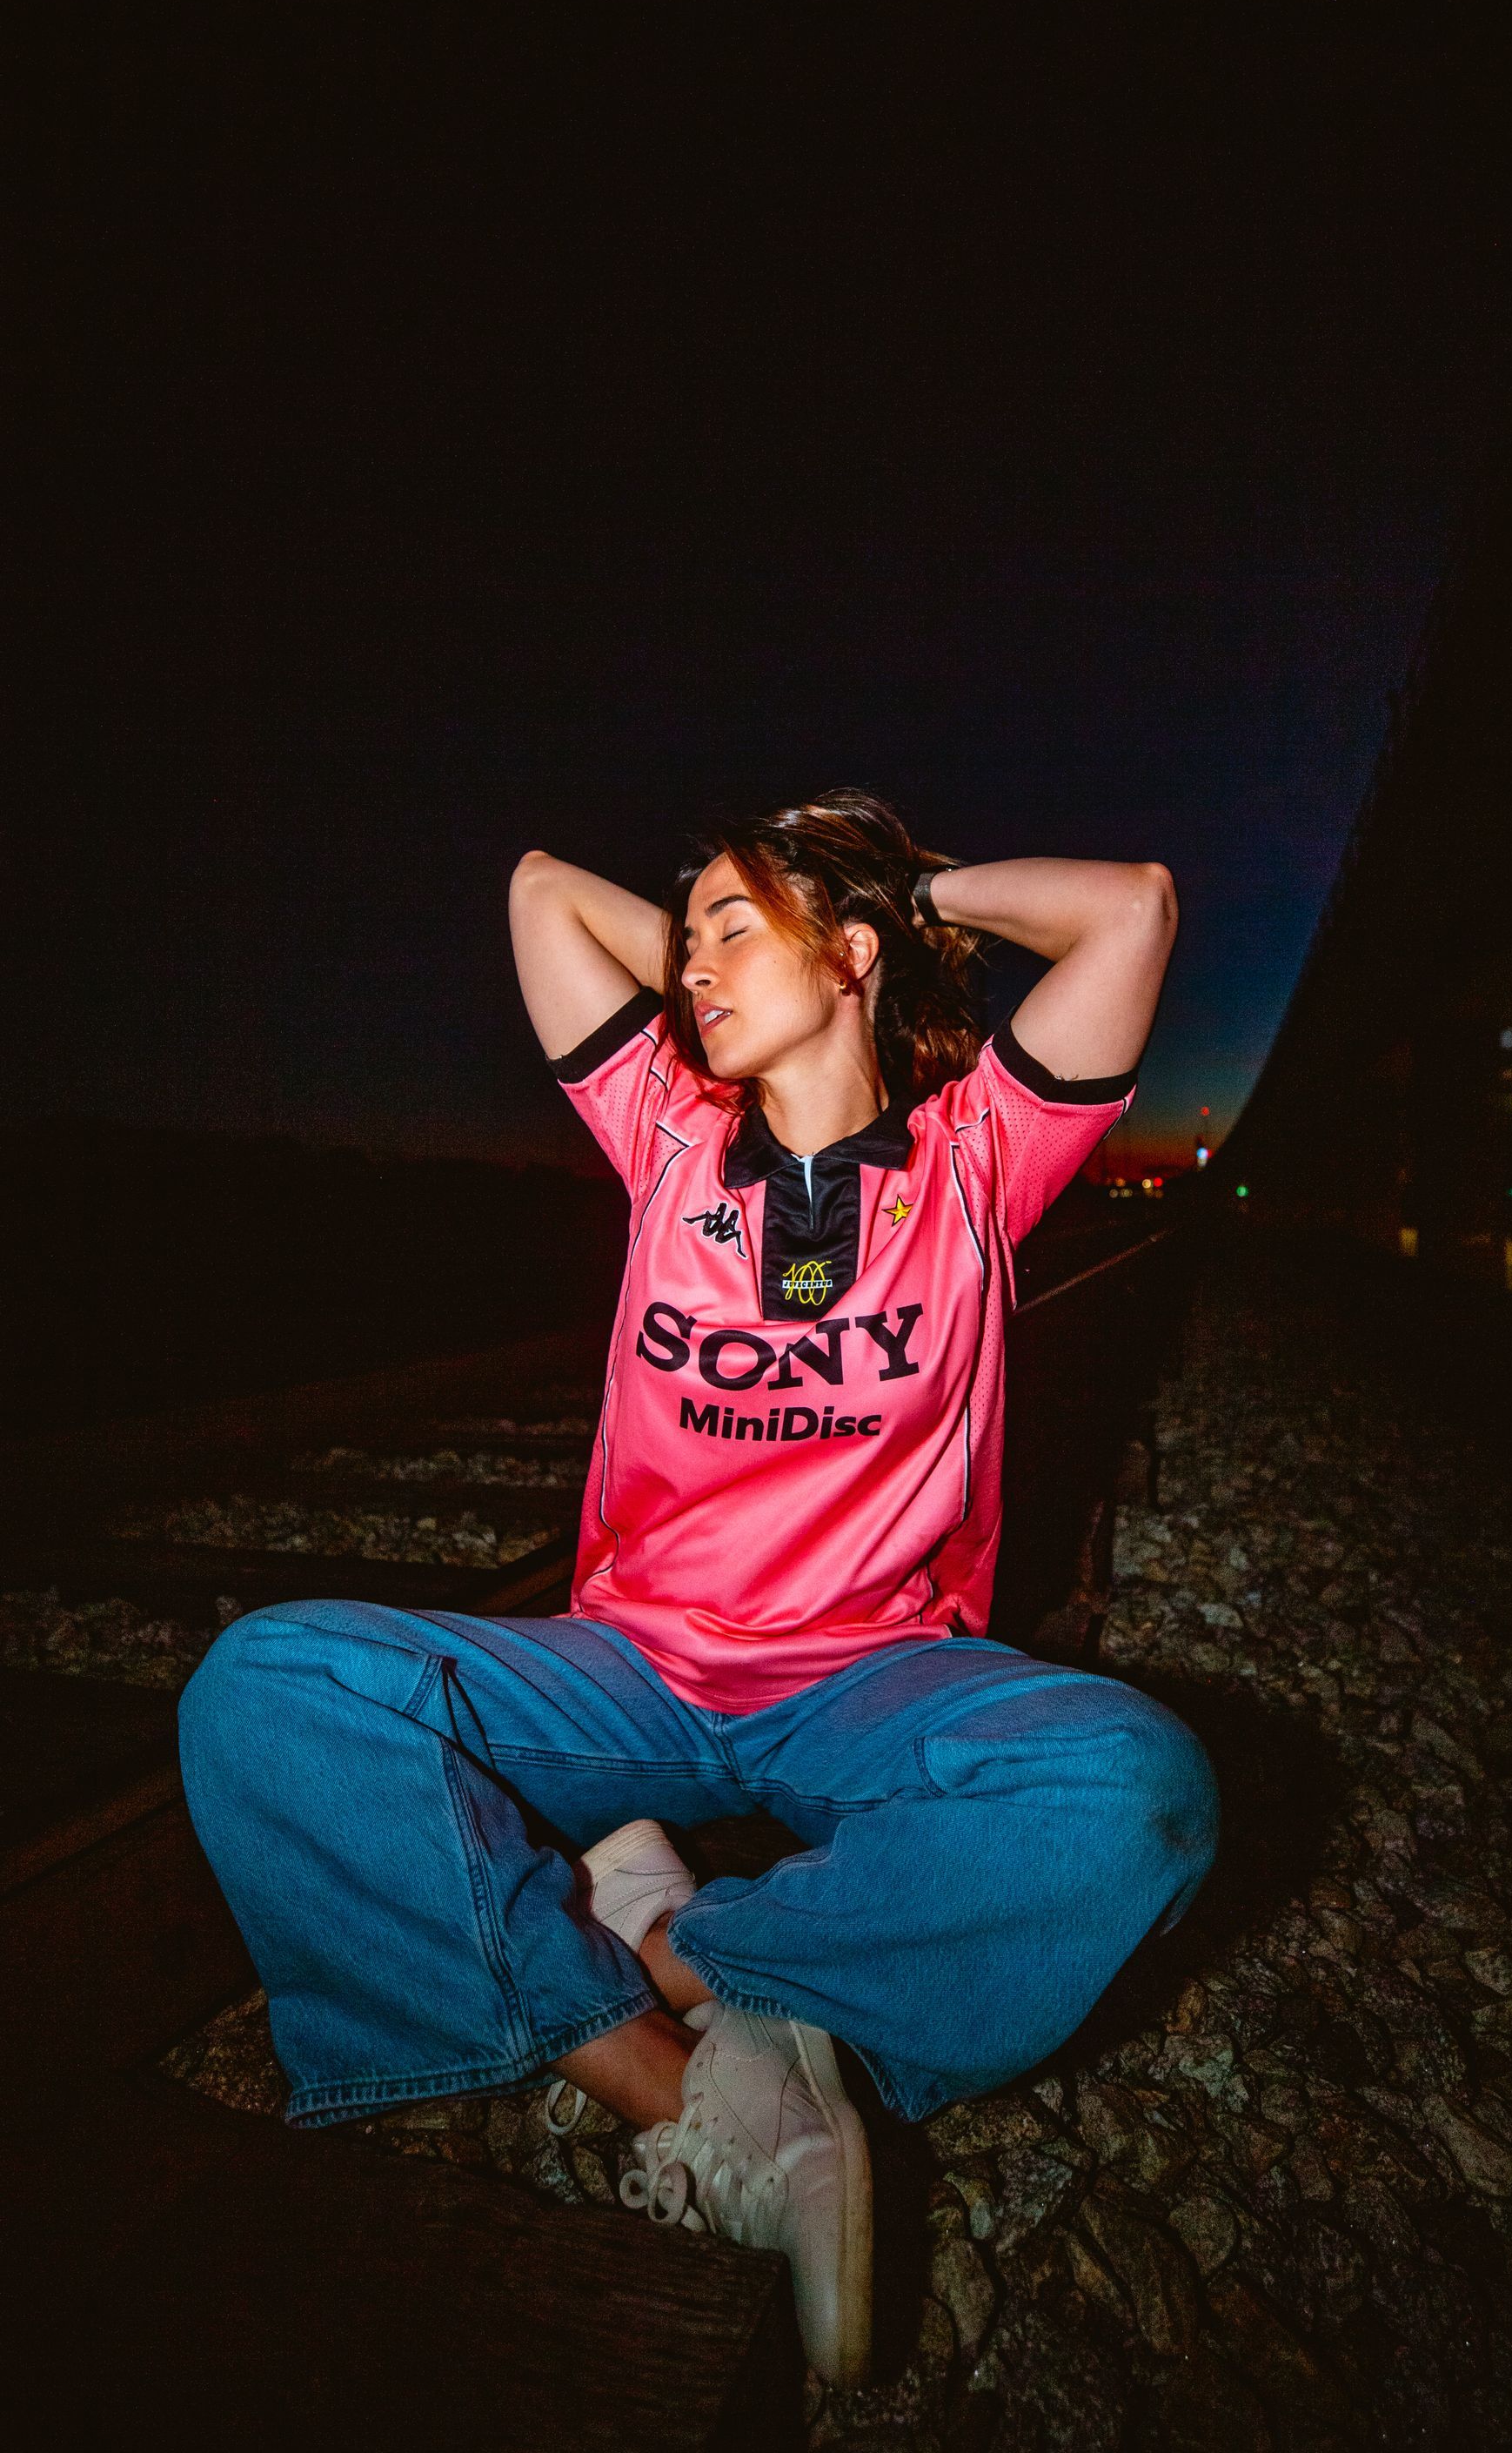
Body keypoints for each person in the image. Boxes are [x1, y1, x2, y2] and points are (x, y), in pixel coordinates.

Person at [178, 790, 1218, 2388]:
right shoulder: (667, 1134)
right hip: (631, 1675)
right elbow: (534, 885)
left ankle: (677, 1940)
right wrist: (754, 913)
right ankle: (687, 2096)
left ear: (854, 952)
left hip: (868, 1683)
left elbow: (1131, 906)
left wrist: (900, 892)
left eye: (737, 930)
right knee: (268, 1684)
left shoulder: (978, 1161)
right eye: (689, 939)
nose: (698, 968)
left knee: (1131, 1785)